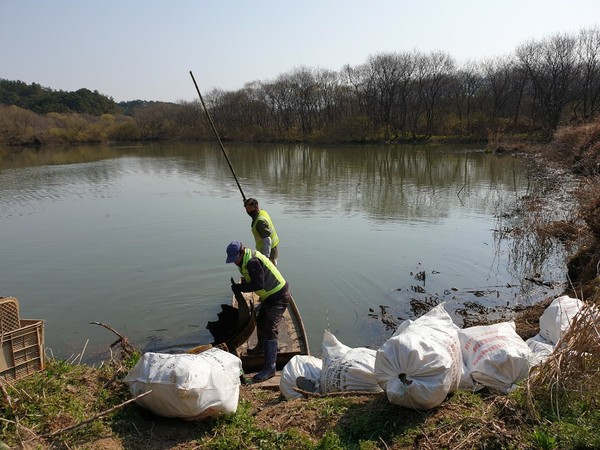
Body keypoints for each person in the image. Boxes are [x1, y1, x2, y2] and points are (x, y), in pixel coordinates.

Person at [225, 240, 291, 382]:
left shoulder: (252, 262)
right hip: (269, 295)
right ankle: (261, 348)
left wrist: (240, 288)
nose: (234, 262)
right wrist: (241, 286)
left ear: (241, 252)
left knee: (269, 329)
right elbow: (252, 280)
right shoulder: (244, 261)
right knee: (260, 321)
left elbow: (258, 283)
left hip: (278, 295)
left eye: (234, 258)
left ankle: (270, 368)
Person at [243, 198, 279, 266]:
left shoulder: (260, 222)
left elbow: (267, 241)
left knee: (268, 271)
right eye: (247, 210)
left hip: (270, 251)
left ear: (256, 207)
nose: (248, 212)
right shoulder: (262, 212)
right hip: (272, 247)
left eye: (250, 210)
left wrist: (265, 259)